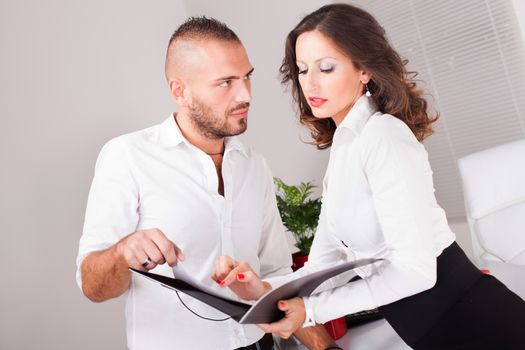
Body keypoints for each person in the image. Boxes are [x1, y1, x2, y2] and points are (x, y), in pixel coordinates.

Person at [212, 4, 525, 350]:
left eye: (326, 68)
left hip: (478, 324)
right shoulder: (346, 146)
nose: (310, 82)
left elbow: (417, 271)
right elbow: (324, 265)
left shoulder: (383, 136)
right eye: (302, 70)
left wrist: (312, 310)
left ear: (364, 70)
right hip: (432, 331)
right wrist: (263, 292)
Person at [76, 16, 337, 350]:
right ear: (179, 91)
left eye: (247, 78)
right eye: (225, 82)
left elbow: (277, 272)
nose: (245, 95)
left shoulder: (253, 165)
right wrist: (122, 252)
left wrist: (326, 347)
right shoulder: (127, 156)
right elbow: (92, 286)